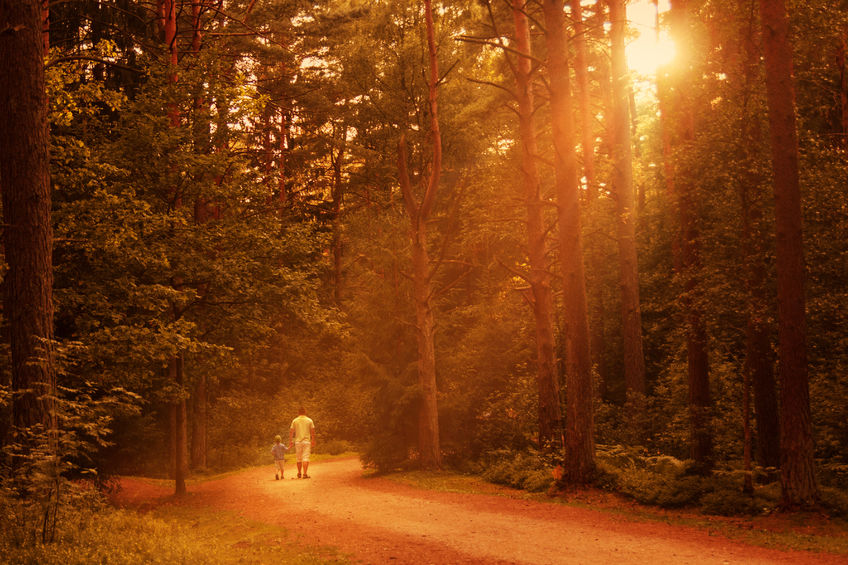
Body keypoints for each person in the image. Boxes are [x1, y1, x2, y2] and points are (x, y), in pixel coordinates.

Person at [289, 407, 315, 479]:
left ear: (298, 412)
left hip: (298, 441)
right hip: (306, 441)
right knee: (305, 457)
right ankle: (305, 474)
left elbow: (291, 431)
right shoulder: (309, 420)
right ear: (305, 412)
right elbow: (312, 431)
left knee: (299, 458)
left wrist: (290, 441)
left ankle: (299, 473)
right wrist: (313, 440)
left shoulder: (295, 420)